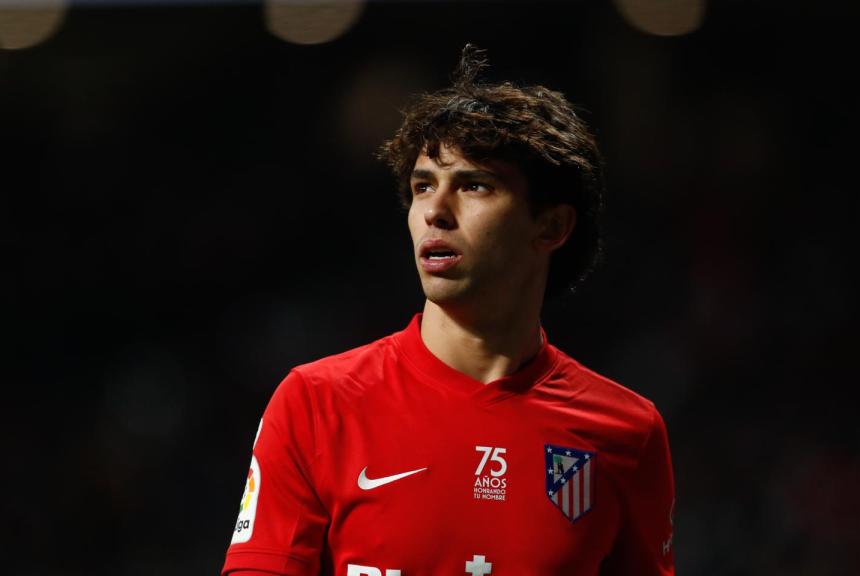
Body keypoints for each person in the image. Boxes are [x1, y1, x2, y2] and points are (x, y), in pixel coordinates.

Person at [221, 45, 675, 576]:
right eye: (423, 187)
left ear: (551, 226)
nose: (435, 211)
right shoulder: (316, 404)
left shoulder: (627, 433)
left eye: (474, 185)